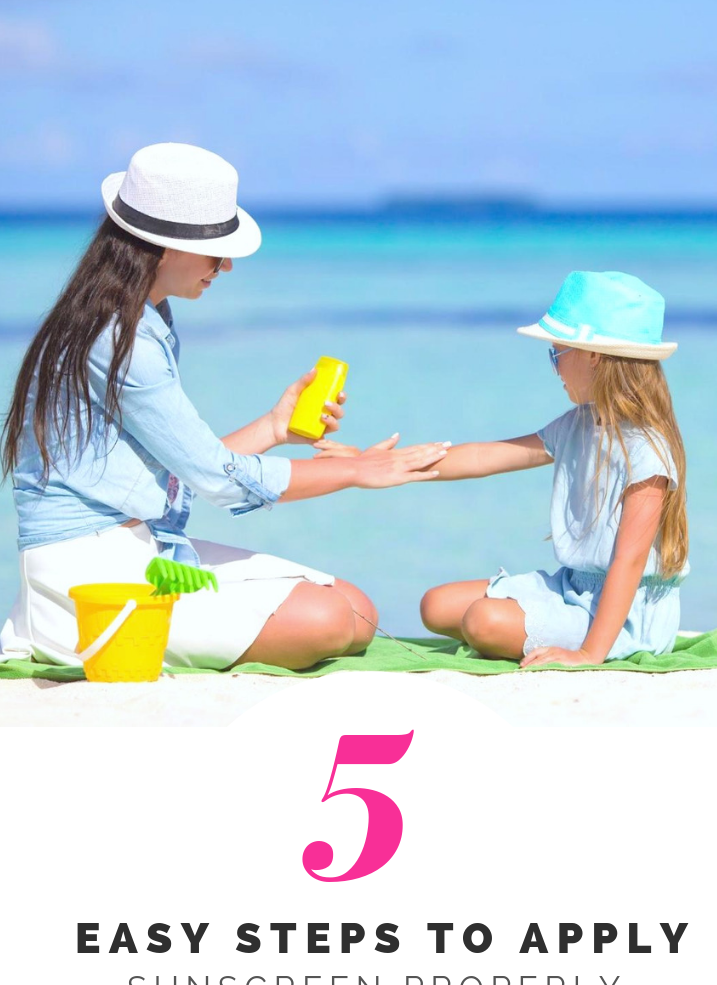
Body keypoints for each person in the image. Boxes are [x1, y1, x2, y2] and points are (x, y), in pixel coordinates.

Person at [0, 143, 447, 671]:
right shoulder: (123, 341)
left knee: (355, 608)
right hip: (90, 581)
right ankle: (53, 630)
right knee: (330, 620)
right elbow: (217, 478)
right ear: (164, 248)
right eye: (217, 251)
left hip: (146, 550)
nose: (228, 265)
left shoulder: (142, 318)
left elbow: (180, 467)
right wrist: (356, 471)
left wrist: (275, 426)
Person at [319, 270, 689, 667]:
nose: (555, 368)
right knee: (436, 606)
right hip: (573, 589)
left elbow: (628, 561)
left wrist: (588, 653)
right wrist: (374, 463)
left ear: (594, 356)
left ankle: (584, 639)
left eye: (557, 353)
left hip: (628, 612)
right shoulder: (577, 424)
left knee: (482, 621)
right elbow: (482, 457)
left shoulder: (648, 450)